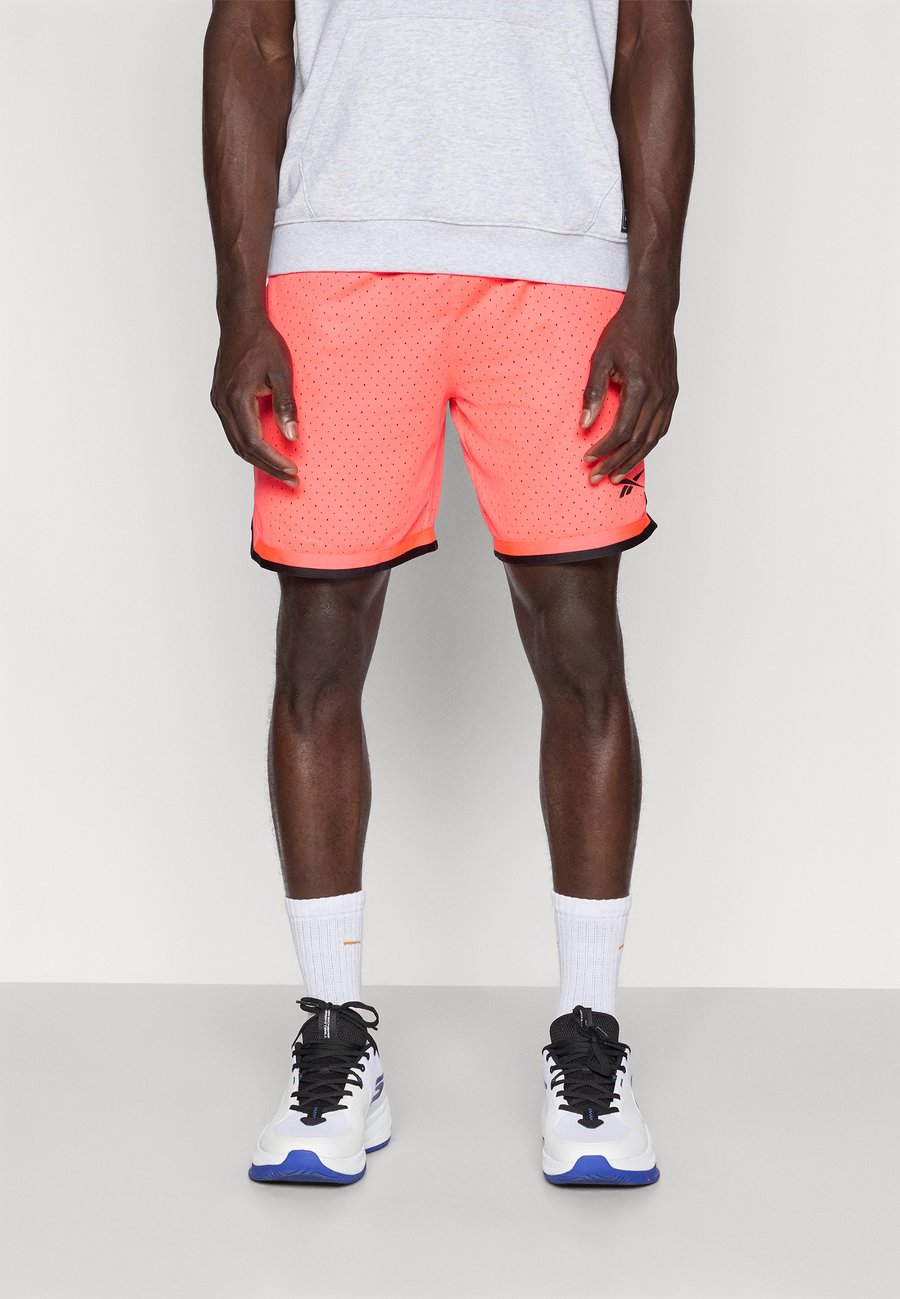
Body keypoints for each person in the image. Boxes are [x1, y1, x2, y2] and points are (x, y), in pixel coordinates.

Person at [203, 0, 694, 1186]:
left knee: (579, 646)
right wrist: (238, 305)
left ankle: (589, 1037)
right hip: (337, 262)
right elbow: (251, 37)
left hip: (560, 266)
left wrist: (654, 298)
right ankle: (336, 1038)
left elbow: (653, 38)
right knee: (319, 645)